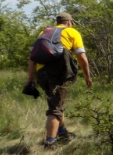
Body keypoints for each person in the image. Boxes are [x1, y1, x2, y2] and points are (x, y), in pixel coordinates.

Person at [25, 12, 92, 147]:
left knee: (56, 103)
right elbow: (82, 58)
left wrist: (30, 78)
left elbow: (32, 58)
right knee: (55, 108)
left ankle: (62, 132)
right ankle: (50, 143)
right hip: (58, 74)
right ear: (69, 22)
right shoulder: (72, 32)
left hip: (41, 74)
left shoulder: (44, 33)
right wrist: (87, 76)